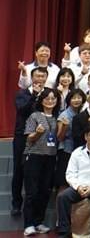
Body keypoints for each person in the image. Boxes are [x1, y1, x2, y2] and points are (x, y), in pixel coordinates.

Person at [22, 87, 60, 236]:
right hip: (34, 156)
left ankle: (39, 222)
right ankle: (28, 224)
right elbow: (29, 138)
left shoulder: (57, 117)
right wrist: (37, 133)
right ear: (42, 100)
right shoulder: (34, 116)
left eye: (53, 98)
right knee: (32, 191)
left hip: (50, 157)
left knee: (45, 191)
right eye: (47, 98)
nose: (50, 101)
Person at [12, 66, 47, 215]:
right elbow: (22, 110)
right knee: (19, 169)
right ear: (32, 78)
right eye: (37, 76)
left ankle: (33, 207)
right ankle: (16, 204)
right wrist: (34, 95)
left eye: (43, 76)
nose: (40, 79)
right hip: (22, 136)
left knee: (37, 171)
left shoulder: (48, 95)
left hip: (42, 137)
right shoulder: (23, 93)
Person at [56, 88, 86, 187]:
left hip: (79, 150)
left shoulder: (83, 114)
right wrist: (65, 127)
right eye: (74, 98)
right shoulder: (64, 115)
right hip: (66, 151)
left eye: (79, 98)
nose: (76, 100)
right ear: (69, 100)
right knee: (64, 182)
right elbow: (59, 137)